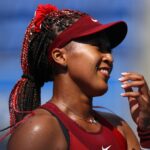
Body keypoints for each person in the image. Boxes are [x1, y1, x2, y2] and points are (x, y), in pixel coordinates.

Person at [6, 4, 150, 150]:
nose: (109, 57)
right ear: (60, 56)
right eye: (98, 47)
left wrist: (146, 130)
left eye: (108, 50)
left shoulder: (119, 127)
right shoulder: (40, 129)